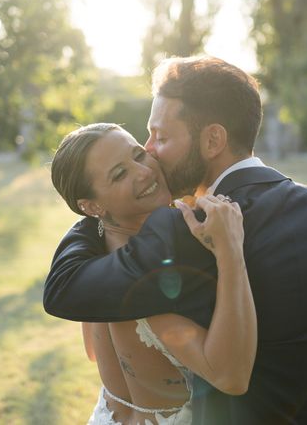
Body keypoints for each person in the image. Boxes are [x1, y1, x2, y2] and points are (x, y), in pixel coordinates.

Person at [45, 56, 307, 424]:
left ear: (213, 139)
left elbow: (70, 289)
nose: (150, 150)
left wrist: (96, 215)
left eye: (161, 137)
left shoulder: (183, 233)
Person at [49, 123, 257, 424]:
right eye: (119, 174)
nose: (144, 172)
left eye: (138, 154)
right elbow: (231, 377)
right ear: (92, 206)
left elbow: (94, 351)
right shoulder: (146, 281)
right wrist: (230, 252)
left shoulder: (93, 267)